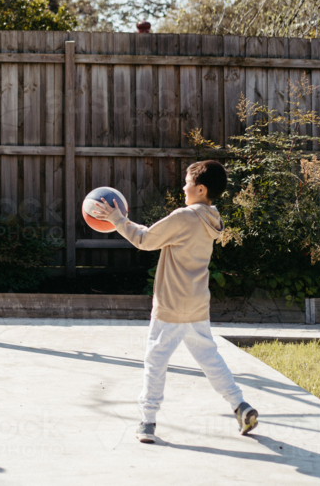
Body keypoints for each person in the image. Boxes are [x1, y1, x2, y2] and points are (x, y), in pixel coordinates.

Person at [87, 160, 258, 444]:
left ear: (200, 188)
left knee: (155, 360)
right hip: (197, 304)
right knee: (210, 359)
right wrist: (123, 220)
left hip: (170, 305)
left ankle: (147, 421)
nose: (183, 187)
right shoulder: (212, 218)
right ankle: (240, 405)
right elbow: (155, 236)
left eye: (188, 183)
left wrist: (117, 219)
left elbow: (143, 240)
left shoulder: (183, 216)